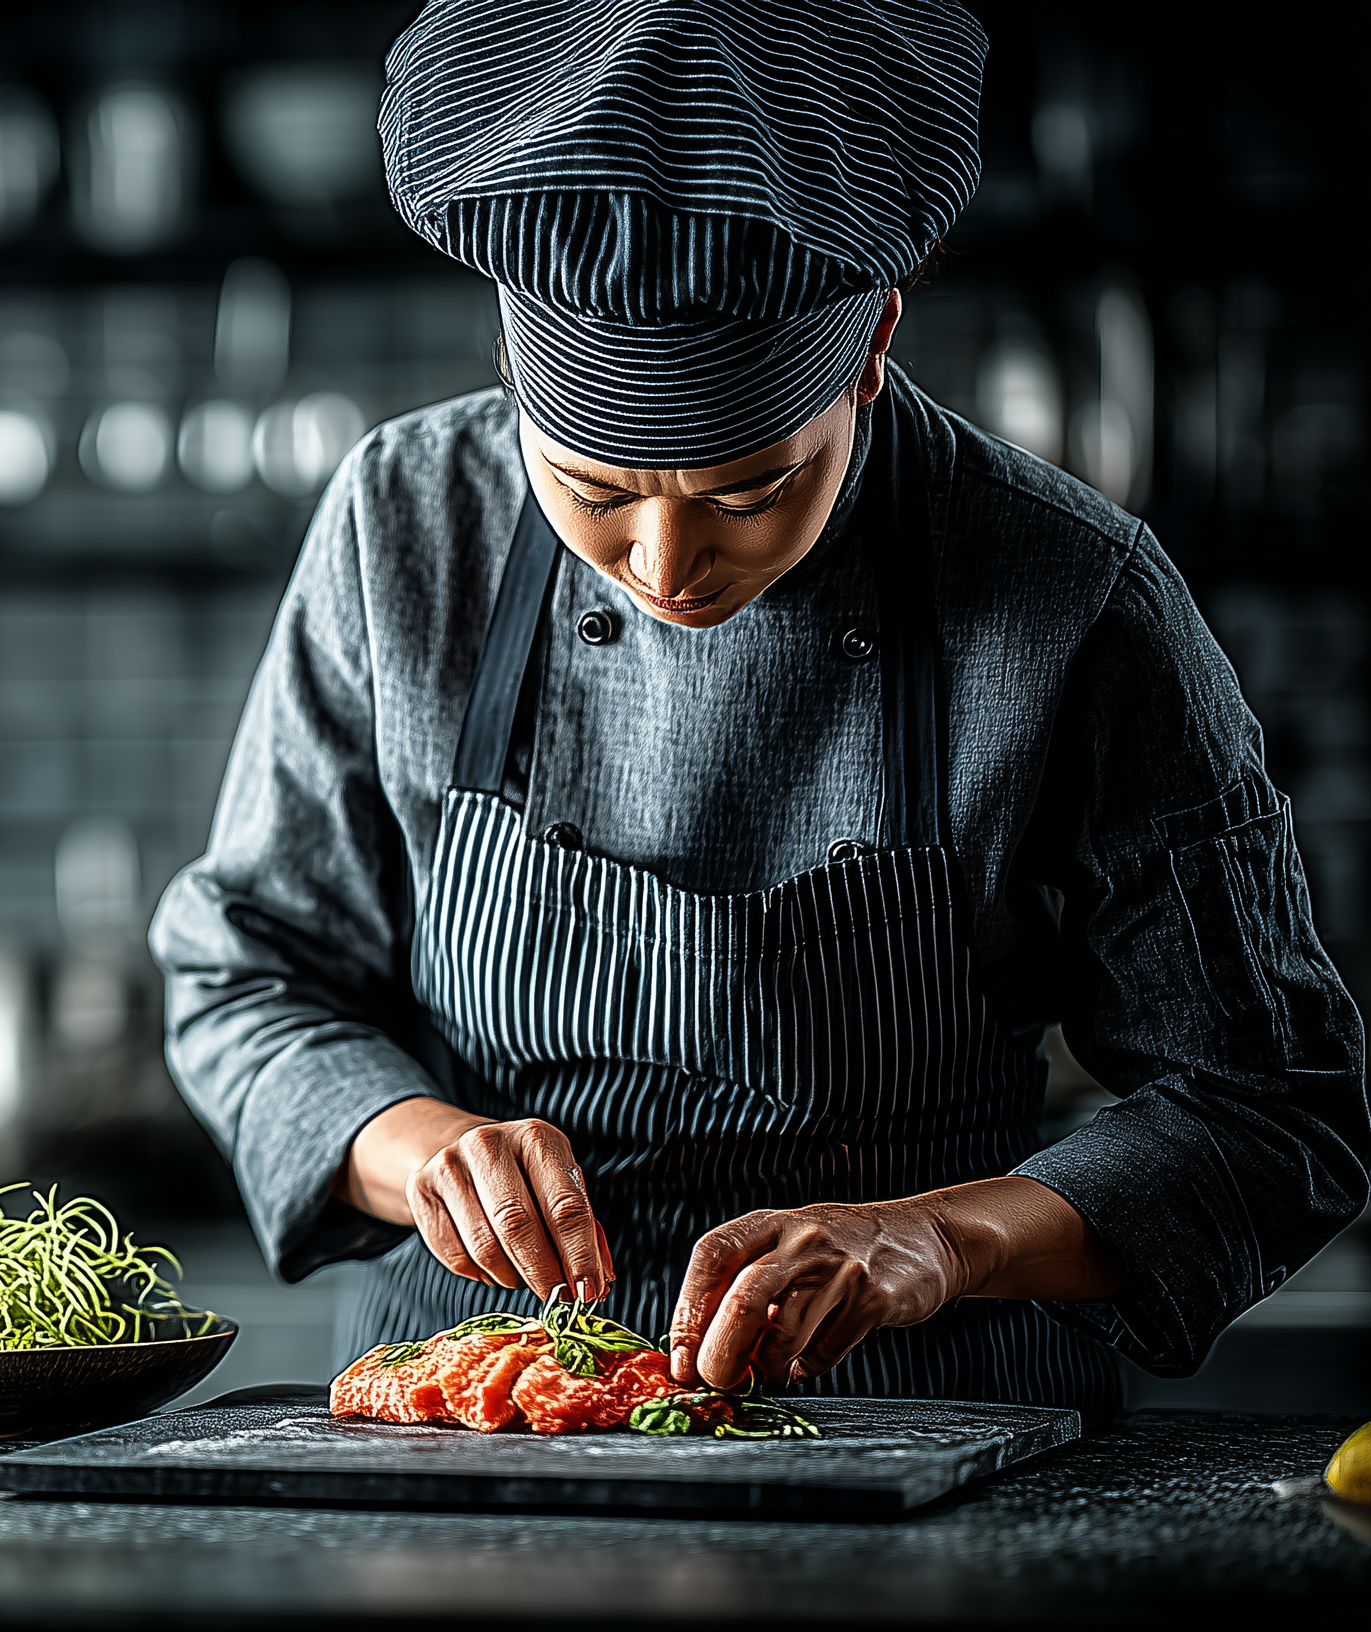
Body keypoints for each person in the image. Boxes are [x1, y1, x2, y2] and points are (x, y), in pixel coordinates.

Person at [151, 0, 1369, 1413]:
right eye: (596, 494)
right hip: (478, 1426)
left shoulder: (1071, 591)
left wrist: (938, 1237)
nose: (668, 565)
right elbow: (245, 975)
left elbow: (1272, 1110)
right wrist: (410, 1141)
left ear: (870, 352)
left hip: (941, 1418)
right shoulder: (403, 525)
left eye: (750, 490)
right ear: (508, 368)